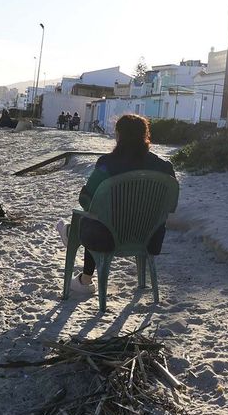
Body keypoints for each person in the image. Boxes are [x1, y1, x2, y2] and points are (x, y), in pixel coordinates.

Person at [64, 113, 175, 295]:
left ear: (119, 135)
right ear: (145, 135)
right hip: (149, 236)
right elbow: (170, 204)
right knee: (96, 218)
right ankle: (71, 237)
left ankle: (82, 272)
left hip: (108, 238)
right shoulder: (164, 167)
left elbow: (86, 198)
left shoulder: (107, 163)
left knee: (92, 217)